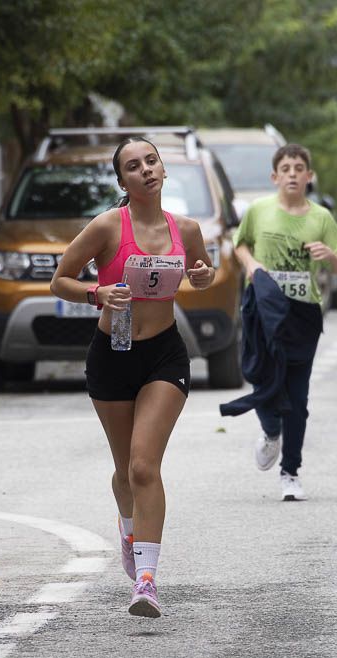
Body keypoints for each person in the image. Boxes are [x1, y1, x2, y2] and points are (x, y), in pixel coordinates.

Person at [50, 136, 215, 617]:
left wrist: (203, 276)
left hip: (165, 355)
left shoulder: (186, 229)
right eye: (133, 166)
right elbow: (60, 280)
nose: (146, 170)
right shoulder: (107, 226)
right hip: (112, 354)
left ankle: (146, 580)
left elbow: (203, 271)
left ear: (162, 169)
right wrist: (96, 294)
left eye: (151, 161)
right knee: (124, 471)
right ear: (122, 181)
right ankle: (129, 529)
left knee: (144, 466)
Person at [230, 143, 337, 501]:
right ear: (275, 176)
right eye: (286, 169)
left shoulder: (321, 218)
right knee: (260, 377)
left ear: (309, 176)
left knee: (297, 397)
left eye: (299, 168)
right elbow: (240, 244)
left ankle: (291, 471)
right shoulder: (259, 210)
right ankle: (271, 432)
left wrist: (328, 254)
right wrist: (252, 265)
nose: (293, 174)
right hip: (262, 308)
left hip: (301, 313)